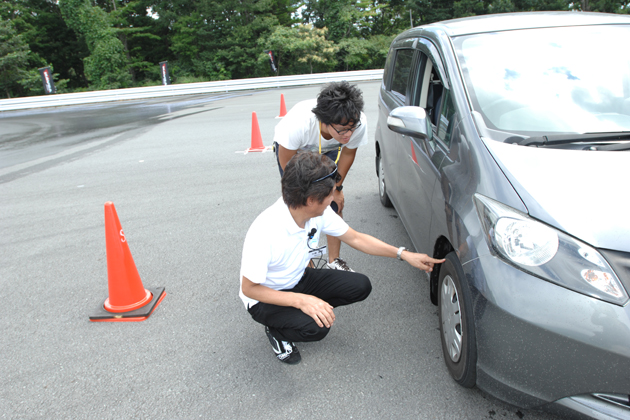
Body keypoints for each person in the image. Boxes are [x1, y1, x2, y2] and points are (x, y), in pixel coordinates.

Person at [240, 152, 445, 364]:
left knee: (359, 285)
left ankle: (301, 312)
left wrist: (403, 254)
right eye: (331, 193)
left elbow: (356, 238)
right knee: (317, 328)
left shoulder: (315, 212)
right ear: (311, 200)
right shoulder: (266, 231)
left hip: (297, 278)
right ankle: (277, 331)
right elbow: (249, 288)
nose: (335, 197)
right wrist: (300, 300)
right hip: (264, 298)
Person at [273, 81, 367, 272]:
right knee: (302, 207)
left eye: (352, 128)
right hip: (294, 154)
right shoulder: (299, 124)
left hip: (329, 152)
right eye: (342, 130)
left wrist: (337, 189)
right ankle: (307, 263)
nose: (348, 134)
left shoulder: (357, 122)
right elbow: (288, 165)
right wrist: (302, 193)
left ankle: (335, 261)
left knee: (332, 204)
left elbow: (348, 154)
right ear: (324, 122)